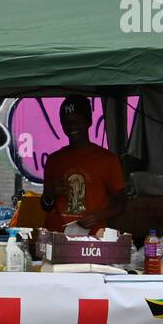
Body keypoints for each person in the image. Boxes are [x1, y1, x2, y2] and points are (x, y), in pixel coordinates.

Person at [39, 95, 126, 233]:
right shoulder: (54, 160)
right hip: (56, 236)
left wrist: (98, 216)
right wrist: (50, 193)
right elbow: (46, 205)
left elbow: (121, 204)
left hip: (93, 239)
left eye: (78, 121)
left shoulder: (107, 159)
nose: (72, 126)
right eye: (67, 122)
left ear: (89, 121)